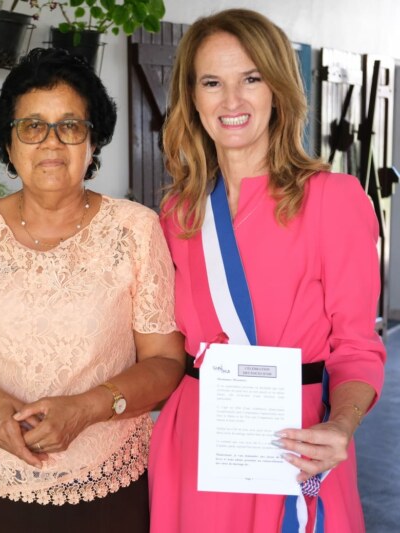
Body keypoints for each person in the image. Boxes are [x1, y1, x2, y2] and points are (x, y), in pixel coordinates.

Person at [0, 47, 185, 532]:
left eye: (71, 126)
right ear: (9, 140)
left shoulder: (135, 230)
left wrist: (86, 409)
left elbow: (167, 362)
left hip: (110, 486)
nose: (51, 143)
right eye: (32, 126)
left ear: (94, 141)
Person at [148, 9, 386, 533]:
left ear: (277, 88)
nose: (231, 101)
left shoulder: (333, 199)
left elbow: (356, 348)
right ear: (193, 98)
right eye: (213, 82)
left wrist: (341, 425)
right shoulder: (178, 214)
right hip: (197, 441)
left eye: (250, 79)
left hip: (293, 440)